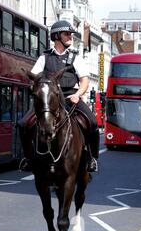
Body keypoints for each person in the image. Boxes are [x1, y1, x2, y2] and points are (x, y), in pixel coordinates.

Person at [18, 20, 99, 173]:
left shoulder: (76, 57)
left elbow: (84, 81)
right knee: (23, 124)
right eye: (66, 34)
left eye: (70, 34)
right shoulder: (45, 57)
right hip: (49, 99)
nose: (70, 37)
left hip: (70, 97)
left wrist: (78, 94)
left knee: (93, 122)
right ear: (56, 36)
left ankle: (92, 158)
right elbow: (34, 77)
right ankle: (28, 158)